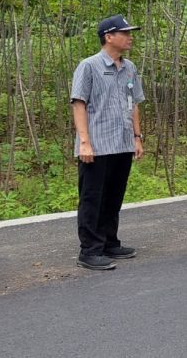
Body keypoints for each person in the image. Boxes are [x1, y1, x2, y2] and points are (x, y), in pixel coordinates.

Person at [70, 14, 145, 270]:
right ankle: (89, 250)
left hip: (122, 143)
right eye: (125, 33)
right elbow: (79, 104)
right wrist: (84, 142)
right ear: (108, 37)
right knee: (93, 198)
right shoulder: (89, 66)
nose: (130, 37)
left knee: (114, 196)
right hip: (97, 145)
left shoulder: (130, 68)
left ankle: (109, 242)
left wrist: (137, 137)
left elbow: (133, 103)